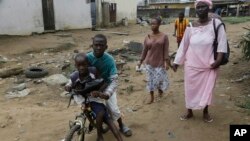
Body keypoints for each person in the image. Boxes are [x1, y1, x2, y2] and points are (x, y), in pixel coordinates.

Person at [172, 0, 228, 122]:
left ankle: (205, 111)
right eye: (199, 7)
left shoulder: (216, 24)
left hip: (209, 66)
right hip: (191, 65)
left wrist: (218, 61)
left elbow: (222, 43)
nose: (201, 9)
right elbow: (184, 45)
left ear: (209, 8)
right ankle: (189, 111)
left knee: (207, 90)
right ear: (195, 10)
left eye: (204, 7)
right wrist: (176, 62)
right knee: (190, 89)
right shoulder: (190, 26)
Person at [65, 53, 123, 141]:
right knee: (86, 110)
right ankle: (92, 122)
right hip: (82, 98)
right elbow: (69, 84)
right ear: (75, 65)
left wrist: (98, 92)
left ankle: (99, 135)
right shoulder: (74, 76)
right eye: (79, 65)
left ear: (88, 64)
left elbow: (103, 83)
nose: (81, 67)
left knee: (101, 114)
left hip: (94, 97)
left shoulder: (93, 71)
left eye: (84, 65)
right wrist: (67, 87)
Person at [87, 34, 132, 137]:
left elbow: (114, 79)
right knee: (86, 106)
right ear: (92, 45)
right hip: (92, 87)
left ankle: (121, 125)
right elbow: (79, 72)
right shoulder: (87, 58)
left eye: (101, 45)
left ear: (106, 47)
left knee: (113, 108)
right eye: (96, 45)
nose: (98, 47)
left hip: (107, 86)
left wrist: (107, 93)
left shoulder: (109, 60)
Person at [138, 17, 170, 104]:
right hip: (149, 63)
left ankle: (160, 89)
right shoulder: (148, 36)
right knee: (150, 81)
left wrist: (166, 62)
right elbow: (144, 50)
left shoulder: (164, 36)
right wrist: (140, 61)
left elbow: (166, 50)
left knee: (159, 79)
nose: (152, 25)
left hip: (159, 63)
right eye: (151, 24)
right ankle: (151, 97)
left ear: (159, 24)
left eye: (154, 24)